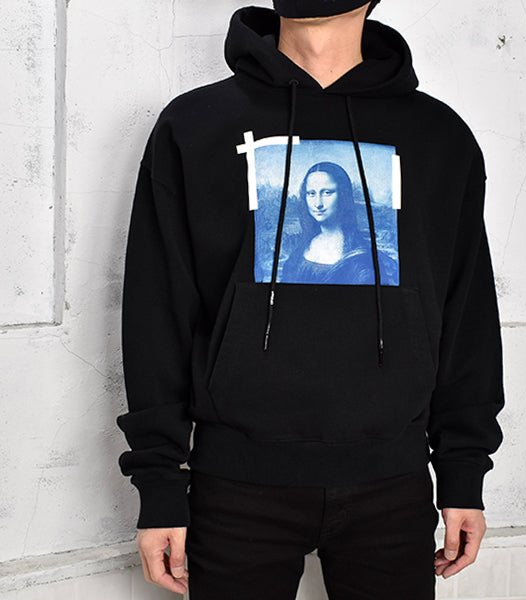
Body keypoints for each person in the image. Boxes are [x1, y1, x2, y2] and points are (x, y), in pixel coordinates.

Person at [115, 1, 505, 598]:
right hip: (235, 485)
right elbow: (156, 310)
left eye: (331, 192)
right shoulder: (195, 125)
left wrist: (463, 473)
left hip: (394, 485)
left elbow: (467, 314)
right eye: (310, 192)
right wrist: (160, 484)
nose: (320, 201)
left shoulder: (439, 136)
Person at [280, 161, 399, 285]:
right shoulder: (301, 248)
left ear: (343, 195)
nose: (318, 204)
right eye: (311, 193)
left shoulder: (361, 258)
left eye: (327, 193)